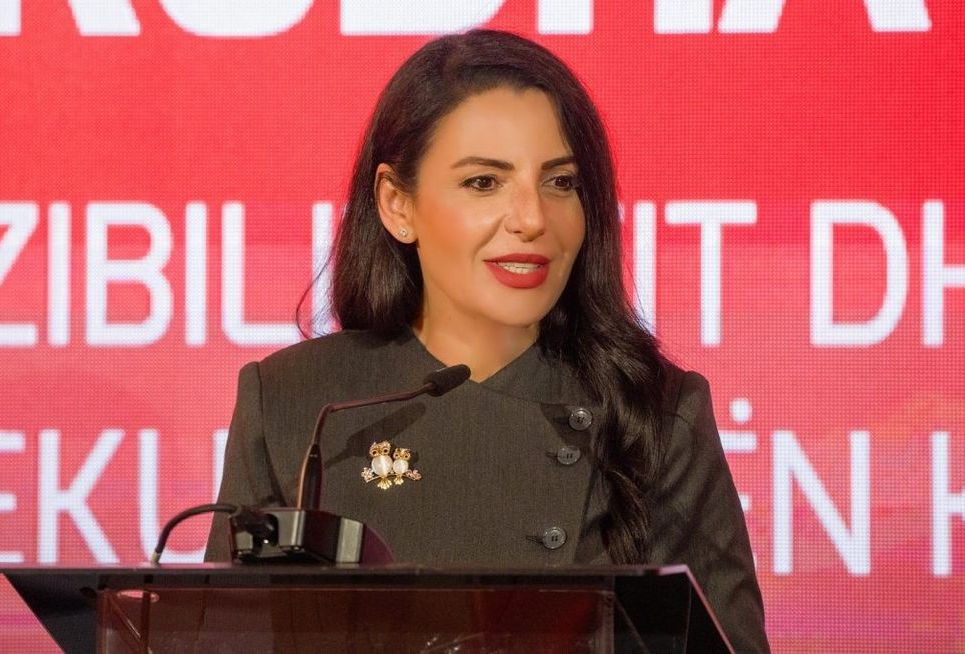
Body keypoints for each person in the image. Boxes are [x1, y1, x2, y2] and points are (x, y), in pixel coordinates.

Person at [206, 29, 769, 652]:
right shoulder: (297, 402)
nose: (532, 218)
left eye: (561, 182)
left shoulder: (656, 411)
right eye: (484, 182)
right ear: (397, 205)